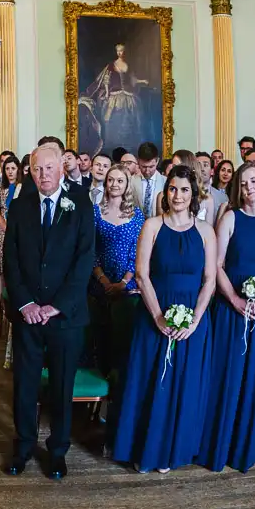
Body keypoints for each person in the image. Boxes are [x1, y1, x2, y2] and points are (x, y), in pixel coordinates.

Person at [113, 165, 217, 473]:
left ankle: (175, 450)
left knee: (184, 385)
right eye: (173, 189)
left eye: (185, 190)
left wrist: (195, 321)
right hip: (154, 313)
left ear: (193, 194)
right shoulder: (152, 226)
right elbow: (142, 275)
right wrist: (158, 316)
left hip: (193, 321)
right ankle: (145, 450)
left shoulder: (206, 231)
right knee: (150, 382)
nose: (178, 195)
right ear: (165, 192)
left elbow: (210, 279)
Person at [199, 162, 255, 472]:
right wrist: (235, 300)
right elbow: (217, 266)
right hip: (230, 310)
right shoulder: (229, 218)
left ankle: (245, 450)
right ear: (238, 188)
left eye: (254, 181)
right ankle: (218, 447)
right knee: (228, 374)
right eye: (244, 182)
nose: (250, 186)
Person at [91, 163, 144, 383]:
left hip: (128, 287)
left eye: (120, 180)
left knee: (122, 338)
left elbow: (137, 252)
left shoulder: (136, 215)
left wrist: (123, 282)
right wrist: (103, 280)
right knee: (99, 337)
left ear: (127, 185)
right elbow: (90, 249)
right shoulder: (95, 211)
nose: (114, 184)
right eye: (111, 179)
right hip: (97, 283)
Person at [0, 156, 23, 313]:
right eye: (7, 168)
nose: (10, 172)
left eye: (13, 168)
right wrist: (8, 230)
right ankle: (3, 307)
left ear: (18, 169)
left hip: (20, 232)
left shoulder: (24, 187)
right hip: (3, 231)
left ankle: (15, 304)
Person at [137, 142, 165, 215]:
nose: (147, 171)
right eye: (143, 167)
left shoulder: (166, 182)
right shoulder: (130, 181)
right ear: (138, 161)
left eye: (151, 167)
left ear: (157, 161)